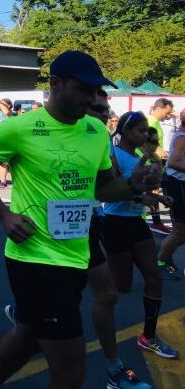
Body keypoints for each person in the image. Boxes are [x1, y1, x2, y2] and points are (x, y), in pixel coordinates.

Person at [0, 51, 163, 389]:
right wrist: (5, 215)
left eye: (97, 90)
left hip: (77, 253)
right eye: (84, 89)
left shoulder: (96, 132)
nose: (93, 98)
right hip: (35, 258)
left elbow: (101, 187)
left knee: (28, 336)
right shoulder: (19, 128)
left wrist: (132, 184)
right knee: (71, 371)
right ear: (55, 84)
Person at [102, 112, 178, 359]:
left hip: (135, 223)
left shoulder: (140, 157)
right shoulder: (112, 155)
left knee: (154, 278)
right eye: (140, 131)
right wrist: (139, 195)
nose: (145, 135)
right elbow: (109, 192)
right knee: (121, 286)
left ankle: (148, 337)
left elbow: (141, 190)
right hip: (114, 223)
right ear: (124, 131)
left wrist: (157, 197)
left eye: (146, 131)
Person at [158, 109, 185, 280]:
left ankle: (165, 251)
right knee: (180, 230)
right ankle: (160, 261)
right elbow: (173, 162)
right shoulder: (182, 137)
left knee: (181, 231)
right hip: (177, 184)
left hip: (181, 183)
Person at [147, 98, 174, 235]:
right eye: (167, 112)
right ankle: (156, 222)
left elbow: (156, 143)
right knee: (153, 191)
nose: (168, 116)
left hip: (157, 161)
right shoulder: (150, 122)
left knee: (155, 191)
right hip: (150, 162)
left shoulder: (156, 122)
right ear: (158, 109)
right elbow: (146, 142)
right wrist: (157, 151)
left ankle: (156, 222)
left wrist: (162, 151)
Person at [0, 98, 14, 189]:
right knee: (3, 163)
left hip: (8, 140)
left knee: (10, 163)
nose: (1, 105)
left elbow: (7, 112)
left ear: (8, 105)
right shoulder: (0, 113)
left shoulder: (10, 113)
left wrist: (0, 102)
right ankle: (3, 182)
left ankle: (17, 181)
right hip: (0, 139)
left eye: (4, 103)